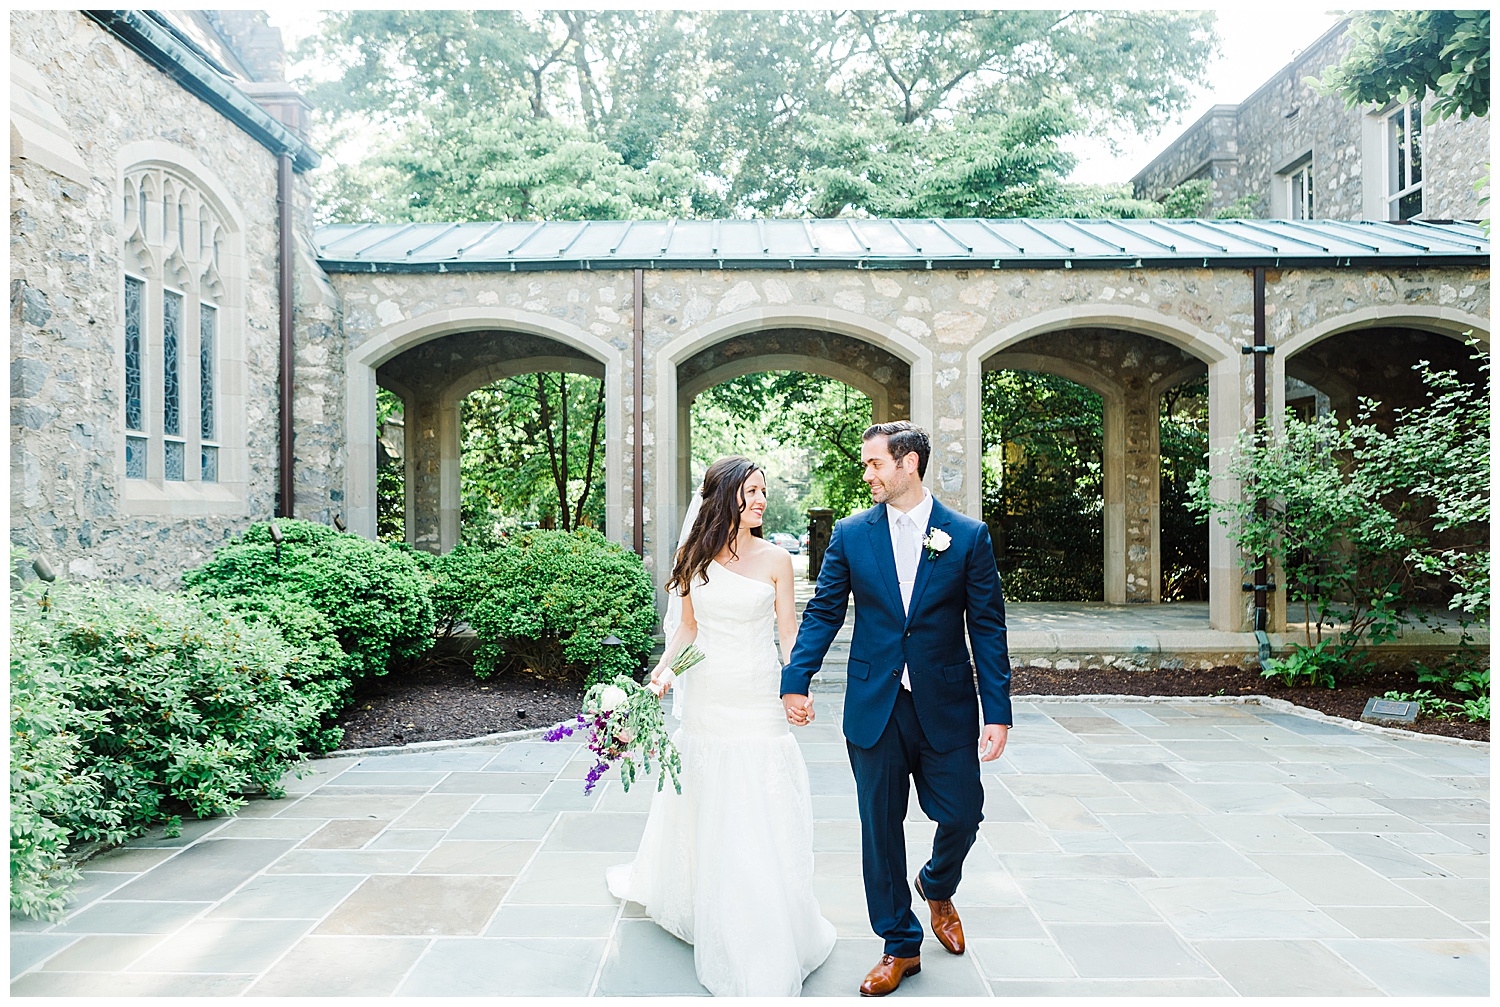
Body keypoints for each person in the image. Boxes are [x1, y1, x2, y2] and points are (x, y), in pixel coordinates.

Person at [781, 421, 1012, 997]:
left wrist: (998, 710)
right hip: (875, 703)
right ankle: (899, 944)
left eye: (875, 464)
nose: (868, 475)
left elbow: (987, 627)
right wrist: (796, 678)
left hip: (946, 703)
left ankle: (937, 885)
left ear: (908, 464)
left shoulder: (967, 535)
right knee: (879, 829)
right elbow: (825, 612)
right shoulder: (851, 534)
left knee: (963, 814)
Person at [606, 455, 836, 997]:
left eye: (764, 492)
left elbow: (787, 633)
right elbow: (688, 631)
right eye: (751, 492)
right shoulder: (693, 556)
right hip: (708, 695)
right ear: (725, 495)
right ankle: (706, 899)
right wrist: (660, 680)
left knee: (758, 799)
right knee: (712, 799)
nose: (761, 502)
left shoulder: (778, 560)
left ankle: (762, 918)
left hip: (756, 696)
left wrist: (795, 687)